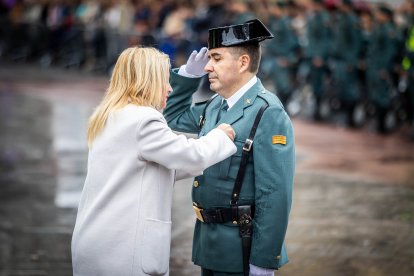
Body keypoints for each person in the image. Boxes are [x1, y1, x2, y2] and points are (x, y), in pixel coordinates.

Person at [71, 46, 237, 276]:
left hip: (99, 241)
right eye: (164, 80)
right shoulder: (143, 119)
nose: (169, 87)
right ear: (147, 81)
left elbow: (156, 166)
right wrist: (221, 136)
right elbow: (189, 156)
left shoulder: (109, 114)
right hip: (125, 249)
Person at [164, 19, 296, 276]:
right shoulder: (216, 105)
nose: (208, 66)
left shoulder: (267, 111)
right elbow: (172, 118)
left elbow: (275, 194)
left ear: (243, 62)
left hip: (241, 249)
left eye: (216, 58)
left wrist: (264, 259)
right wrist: (187, 78)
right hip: (209, 245)